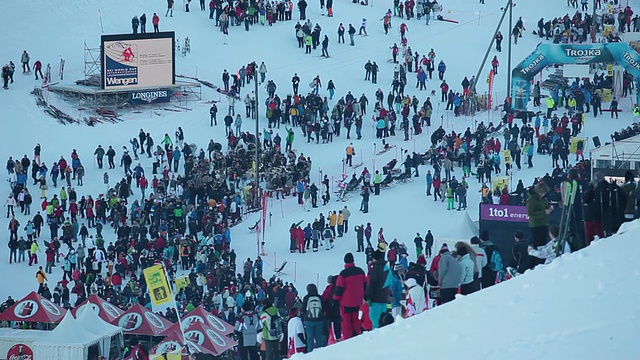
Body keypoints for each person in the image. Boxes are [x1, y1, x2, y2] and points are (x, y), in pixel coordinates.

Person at [333, 252, 366, 340]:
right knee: (356, 319)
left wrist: (335, 299)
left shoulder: (343, 274)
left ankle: (348, 338)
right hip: (358, 301)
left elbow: (339, 288)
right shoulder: (360, 271)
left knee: (346, 322)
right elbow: (365, 284)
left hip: (346, 302)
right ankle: (357, 334)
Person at [526, 182, 553, 265]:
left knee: (543, 245)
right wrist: (544, 212)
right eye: (542, 192)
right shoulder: (532, 200)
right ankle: (537, 263)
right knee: (538, 245)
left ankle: (541, 261)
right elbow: (530, 213)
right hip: (536, 226)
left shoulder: (541, 199)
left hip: (543, 224)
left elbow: (544, 205)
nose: (543, 194)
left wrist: (549, 208)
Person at [367, 250, 390, 329]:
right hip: (384, 298)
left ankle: (376, 337)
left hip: (376, 299)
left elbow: (372, 284)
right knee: (383, 319)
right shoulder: (387, 268)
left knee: (375, 320)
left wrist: (369, 297)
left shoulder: (375, 269)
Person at [301, 283, 324, 352]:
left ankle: (310, 353)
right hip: (319, 320)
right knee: (318, 337)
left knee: (310, 338)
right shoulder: (319, 297)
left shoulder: (306, 298)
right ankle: (319, 352)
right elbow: (323, 308)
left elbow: (303, 309)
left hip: (309, 320)